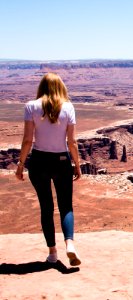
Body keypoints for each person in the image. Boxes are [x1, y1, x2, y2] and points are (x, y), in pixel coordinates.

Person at [15, 72, 82, 266]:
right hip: (61, 161)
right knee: (66, 206)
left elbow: (27, 140)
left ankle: (53, 253)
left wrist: (20, 164)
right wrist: (76, 165)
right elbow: (72, 142)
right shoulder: (69, 107)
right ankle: (70, 244)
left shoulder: (31, 106)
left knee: (46, 207)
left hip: (38, 161)